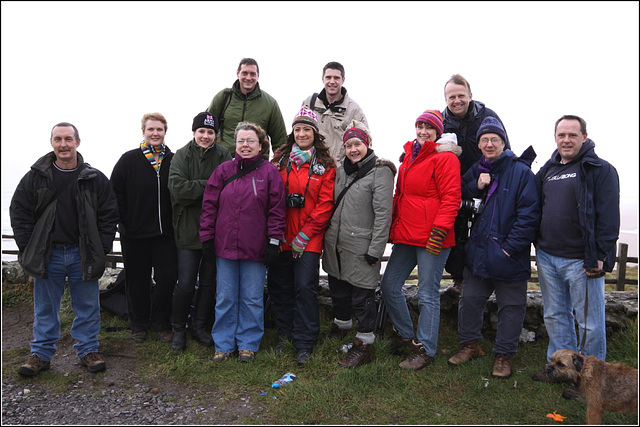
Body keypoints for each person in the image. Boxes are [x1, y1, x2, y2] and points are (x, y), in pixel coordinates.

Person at [10, 122, 118, 376]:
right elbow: (19, 212)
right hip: (49, 253)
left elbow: (108, 215)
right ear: (52, 143)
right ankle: (41, 354)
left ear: (77, 143)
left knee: (87, 306)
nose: (63, 144)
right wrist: (28, 247)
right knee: (45, 308)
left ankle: (88, 351)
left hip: (83, 253)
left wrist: (100, 249)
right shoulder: (36, 177)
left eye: (68, 139)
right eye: (58, 139)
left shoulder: (94, 178)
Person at [447, 117, 539, 380]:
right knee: (470, 300)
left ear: (503, 143)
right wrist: (475, 186)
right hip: (479, 250)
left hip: (509, 254)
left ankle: (503, 355)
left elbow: (529, 214)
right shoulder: (477, 169)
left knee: (511, 306)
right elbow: (459, 193)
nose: (489, 144)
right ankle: (470, 345)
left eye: (494, 140)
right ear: (479, 144)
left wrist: (510, 248)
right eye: (484, 140)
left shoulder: (521, 172)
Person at [532, 115, 619, 376]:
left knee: (589, 323)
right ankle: (560, 369)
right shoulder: (547, 170)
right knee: (555, 315)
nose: (566, 140)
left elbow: (608, 216)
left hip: (582, 259)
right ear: (555, 138)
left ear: (584, 136)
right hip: (547, 256)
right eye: (561, 135)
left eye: (572, 135)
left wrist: (601, 255)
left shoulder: (600, 169)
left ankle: (591, 375)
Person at [380, 110, 461, 370]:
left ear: (437, 132)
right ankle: (406, 335)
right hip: (407, 234)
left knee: (427, 294)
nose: (423, 131)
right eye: (420, 126)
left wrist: (439, 232)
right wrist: (393, 227)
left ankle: (426, 349)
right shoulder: (408, 158)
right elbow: (399, 196)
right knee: (389, 284)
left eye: (429, 127)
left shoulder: (445, 158)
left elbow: (451, 198)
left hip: (432, 238)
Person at [200, 122, 286, 363]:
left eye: (250, 141)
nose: (245, 145)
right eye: (241, 141)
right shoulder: (223, 171)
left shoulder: (269, 173)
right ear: (234, 144)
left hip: (255, 247)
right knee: (226, 296)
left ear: (260, 145)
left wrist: (273, 241)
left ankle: (248, 344)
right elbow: (209, 206)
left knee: (252, 298)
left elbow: (276, 210)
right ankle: (224, 344)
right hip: (225, 246)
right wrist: (206, 237)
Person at [322, 121, 396, 367]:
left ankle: (365, 343)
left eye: (358, 144)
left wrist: (376, 250)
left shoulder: (380, 171)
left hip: (362, 247)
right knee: (338, 289)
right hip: (336, 244)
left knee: (362, 298)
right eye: (349, 145)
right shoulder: (341, 170)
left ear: (367, 144)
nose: (353, 149)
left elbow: (384, 214)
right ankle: (342, 325)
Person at [267, 107, 336, 366]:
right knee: (279, 287)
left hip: (309, 237)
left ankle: (305, 340)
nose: (302, 133)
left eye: (307, 129)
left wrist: (304, 236)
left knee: (305, 288)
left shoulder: (326, 166)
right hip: (281, 235)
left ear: (315, 133)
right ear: (292, 133)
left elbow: (325, 204)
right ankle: (284, 333)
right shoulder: (279, 161)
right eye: (298, 129)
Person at [111, 113, 178, 344]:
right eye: (151, 129)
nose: (155, 133)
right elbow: (115, 193)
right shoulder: (129, 160)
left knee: (167, 278)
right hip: (135, 234)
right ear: (144, 131)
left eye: (159, 129)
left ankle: (160, 322)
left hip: (165, 234)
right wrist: (124, 222)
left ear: (165, 131)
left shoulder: (173, 159)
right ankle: (138, 323)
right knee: (136, 279)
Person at [167, 112, 232, 351]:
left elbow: (229, 189)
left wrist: (199, 188)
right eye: (202, 131)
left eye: (210, 132)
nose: (205, 136)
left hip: (216, 229)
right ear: (194, 132)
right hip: (187, 230)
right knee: (184, 282)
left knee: (208, 282)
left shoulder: (224, 155)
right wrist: (211, 185)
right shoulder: (181, 155)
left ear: (216, 134)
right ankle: (178, 328)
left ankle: (200, 326)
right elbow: (178, 190)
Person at [442, 74, 511, 296]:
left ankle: (484, 282)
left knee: (484, 233)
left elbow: (504, 150)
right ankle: (459, 280)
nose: (457, 100)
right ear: (446, 99)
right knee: (455, 233)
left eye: (461, 95)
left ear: (470, 96)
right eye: (451, 96)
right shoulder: (441, 122)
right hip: (455, 185)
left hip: (488, 182)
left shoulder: (488, 117)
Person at [206, 58, 287, 154]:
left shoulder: (270, 103)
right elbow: (206, 128)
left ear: (258, 75)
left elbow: (280, 141)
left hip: (257, 164)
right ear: (238, 73)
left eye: (252, 74)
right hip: (223, 160)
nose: (248, 78)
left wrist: (280, 163)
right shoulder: (223, 97)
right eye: (245, 73)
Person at [302, 61, 369, 164]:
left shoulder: (354, 110)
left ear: (343, 79)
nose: (332, 81)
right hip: (312, 169)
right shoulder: (309, 104)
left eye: (336, 78)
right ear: (322, 79)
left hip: (340, 172)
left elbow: (364, 143)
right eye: (328, 77)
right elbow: (298, 134)